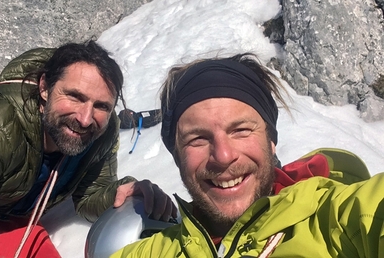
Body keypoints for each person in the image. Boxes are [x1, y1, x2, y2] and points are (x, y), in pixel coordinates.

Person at [111, 53, 384, 257]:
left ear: (271, 141)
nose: (223, 155)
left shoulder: (334, 221)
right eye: (198, 139)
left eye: (240, 130)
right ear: (177, 156)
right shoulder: (154, 252)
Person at [0, 40, 177, 258]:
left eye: (101, 106)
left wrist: (122, 194)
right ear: (44, 88)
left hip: (14, 220)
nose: (85, 119)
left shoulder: (102, 133)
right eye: (75, 97)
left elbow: (89, 197)